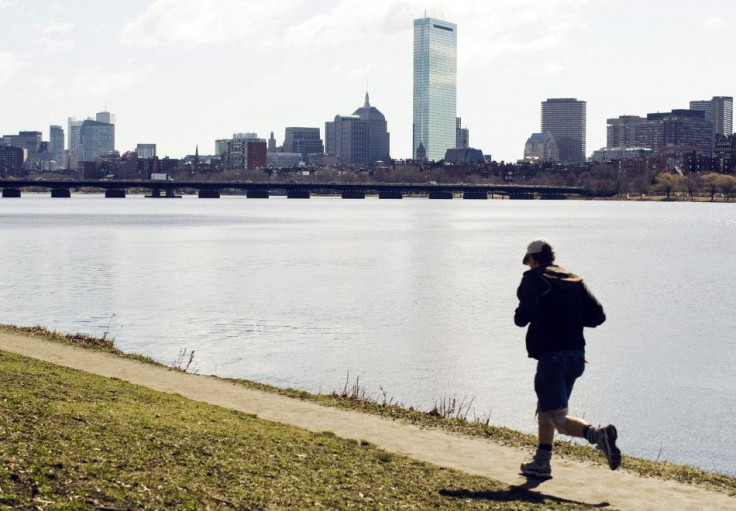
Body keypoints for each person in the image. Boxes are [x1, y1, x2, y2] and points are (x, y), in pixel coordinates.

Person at [514, 239, 621, 479]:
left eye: (529, 261)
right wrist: (568, 317)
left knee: (558, 419)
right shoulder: (574, 280)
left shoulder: (533, 278)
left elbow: (525, 314)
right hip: (576, 356)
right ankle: (542, 462)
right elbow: (598, 316)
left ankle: (598, 435)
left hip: (552, 356)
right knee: (547, 409)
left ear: (533, 259)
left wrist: (521, 317)